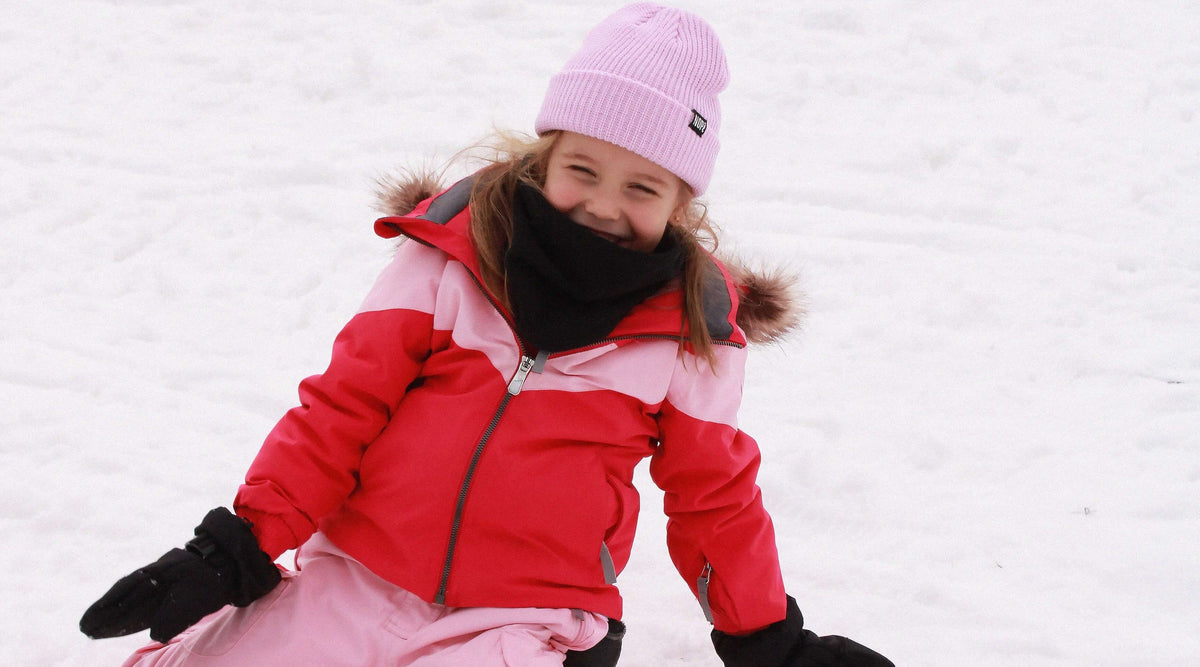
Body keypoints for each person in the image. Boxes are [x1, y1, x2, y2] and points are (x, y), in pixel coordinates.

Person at [80, 4, 894, 666]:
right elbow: (339, 412)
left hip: (526, 620)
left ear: (682, 199)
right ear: (547, 156)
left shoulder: (691, 336)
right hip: (357, 577)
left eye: (642, 185)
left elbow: (714, 499)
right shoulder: (447, 261)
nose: (605, 205)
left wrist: (769, 642)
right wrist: (238, 549)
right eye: (584, 168)